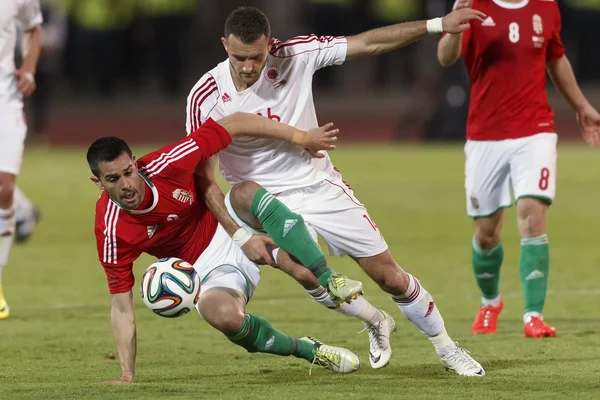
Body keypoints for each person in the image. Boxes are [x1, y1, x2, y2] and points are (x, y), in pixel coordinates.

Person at [185, 6, 486, 375]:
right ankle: (375, 320)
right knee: (306, 270)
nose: (248, 67)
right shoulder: (206, 96)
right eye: (238, 58)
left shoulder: (295, 54)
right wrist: (239, 232)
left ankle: (447, 347)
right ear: (223, 45)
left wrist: (437, 24)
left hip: (318, 185)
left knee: (389, 276)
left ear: (270, 44)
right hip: (262, 202)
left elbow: (368, 43)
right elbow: (204, 177)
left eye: (256, 57)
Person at [90, 112, 362, 384]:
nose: (126, 184)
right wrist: (127, 374)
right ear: (99, 183)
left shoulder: (167, 164)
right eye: (113, 179)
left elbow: (237, 122)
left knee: (250, 198)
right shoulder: (111, 230)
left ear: (136, 164)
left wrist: (303, 137)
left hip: (226, 218)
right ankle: (309, 350)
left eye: (129, 172)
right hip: (204, 271)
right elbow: (122, 307)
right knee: (224, 317)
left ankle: (330, 278)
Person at [437, 0, 600, 338]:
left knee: (532, 213)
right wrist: (453, 24)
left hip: (535, 129)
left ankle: (533, 316)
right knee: (486, 234)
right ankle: (490, 301)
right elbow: (445, 57)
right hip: (485, 134)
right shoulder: (474, 5)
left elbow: (555, 58)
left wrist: (582, 106)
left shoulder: (546, 7)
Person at [0, 0, 43, 319]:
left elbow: (33, 27)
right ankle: (25, 212)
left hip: (5, 96)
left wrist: (28, 68)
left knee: (3, 185)